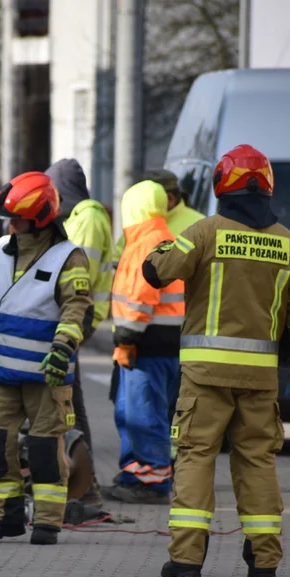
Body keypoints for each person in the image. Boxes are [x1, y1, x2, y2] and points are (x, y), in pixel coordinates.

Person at [144, 144, 290, 577]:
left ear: (223, 185)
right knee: (257, 461)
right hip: (260, 381)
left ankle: (186, 559)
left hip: (204, 379)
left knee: (196, 456)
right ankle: (264, 560)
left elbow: (155, 271)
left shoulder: (205, 233)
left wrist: (163, 245)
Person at [0, 171, 94, 546]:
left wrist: (63, 349)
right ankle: (4, 517)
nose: (9, 224)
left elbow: (76, 310)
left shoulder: (69, 257)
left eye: (15, 218)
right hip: (1, 372)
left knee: (44, 450)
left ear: (40, 219)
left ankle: (49, 521)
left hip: (46, 377)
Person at [107, 180, 185, 504]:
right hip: (160, 343)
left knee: (143, 415)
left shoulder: (146, 243)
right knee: (136, 412)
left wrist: (126, 340)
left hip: (146, 345)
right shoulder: (165, 238)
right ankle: (135, 474)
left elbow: (141, 298)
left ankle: (152, 481)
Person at [46, 158, 114, 510]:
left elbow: (75, 279)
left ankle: (85, 491)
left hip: (75, 319)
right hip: (79, 318)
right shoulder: (86, 216)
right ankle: (84, 490)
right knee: (70, 401)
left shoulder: (85, 218)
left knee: (70, 404)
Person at [111, 168, 205, 268]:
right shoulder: (139, 222)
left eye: (147, 199)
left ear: (170, 199)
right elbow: (118, 261)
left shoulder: (200, 225)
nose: (141, 204)